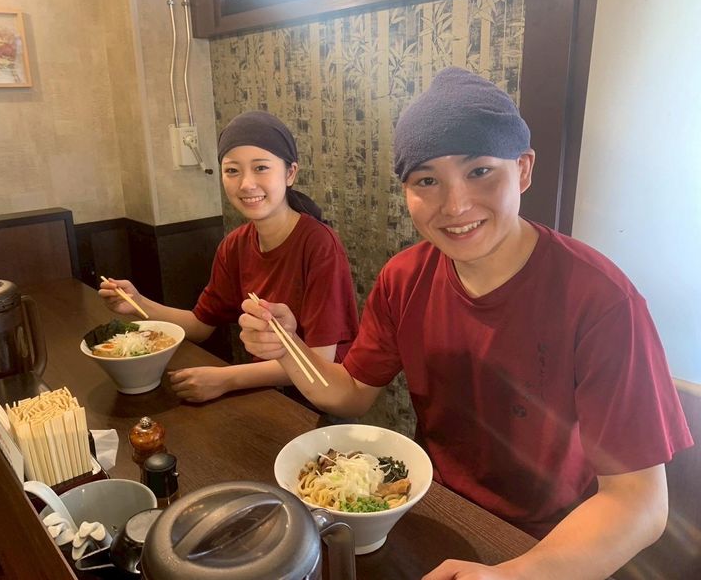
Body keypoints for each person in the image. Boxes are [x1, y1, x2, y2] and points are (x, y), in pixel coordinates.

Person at [239, 67, 693, 579]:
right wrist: (287, 345)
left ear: (523, 170)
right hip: (437, 511)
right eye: (427, 180)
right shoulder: (403, 278)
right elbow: (352, 393)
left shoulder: (600, 298)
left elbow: (639, 502)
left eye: (480, 171)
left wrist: (513, 574)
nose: (455, 205)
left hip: (554, 543)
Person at [99, 111, 358, 403]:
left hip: (321, 401)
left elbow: (320, 361)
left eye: (261, 167)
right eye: (232, 170)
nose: (246, 183)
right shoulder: (234, 246)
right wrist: (137, 303)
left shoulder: (319, 245)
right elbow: (200, 325)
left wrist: (227, 378)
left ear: (290, 173)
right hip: (268, 395)